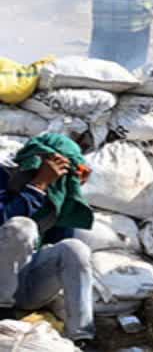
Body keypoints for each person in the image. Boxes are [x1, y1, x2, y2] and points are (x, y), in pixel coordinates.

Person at [0, 133, 97, 349]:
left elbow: (58, 245)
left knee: (75, 248)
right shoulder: (3, 177)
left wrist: (65, 199)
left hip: (26, 285)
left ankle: (82, 336)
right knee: (21, 227)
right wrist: (37, 186)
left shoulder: (58, 192)